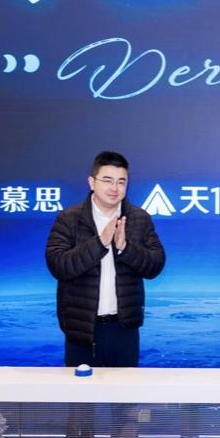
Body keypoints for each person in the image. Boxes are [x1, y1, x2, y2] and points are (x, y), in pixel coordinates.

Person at [45, 151, 165, 368]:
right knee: (82, 390)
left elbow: (155, 265)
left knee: (125, 390)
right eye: (108, 180)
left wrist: (125, 248)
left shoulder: (139, 219)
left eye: (121, 182)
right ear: (92, 182)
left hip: (124, 328)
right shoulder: (69, 219)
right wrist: (100, 243)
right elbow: (58, 265)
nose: (114, 188)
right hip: (81, 330)